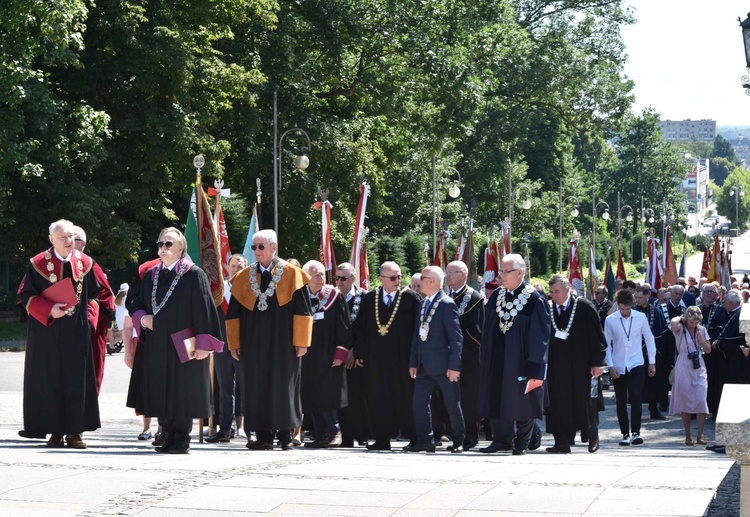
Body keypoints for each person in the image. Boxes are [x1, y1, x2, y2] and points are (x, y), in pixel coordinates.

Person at [127, 227, 224, 454]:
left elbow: (204, 310)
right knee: (161, 391)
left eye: (168, 244)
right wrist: (143, 320)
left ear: (181, 248)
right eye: (160, 244)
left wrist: (203, 344)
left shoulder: (194, 274)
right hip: (157, 343)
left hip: (183, 343)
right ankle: (168, 434)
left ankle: (181, 439)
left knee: (182, 392)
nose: (163, 248)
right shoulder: (151, 274)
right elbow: (135, 302)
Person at [226, 230, 314, 451]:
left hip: (284, 342)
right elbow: (233, 313)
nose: (257, 251)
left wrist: (302, 341)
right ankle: (263, 435)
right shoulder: (243, 277)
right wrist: (234, 343)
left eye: (261, 247)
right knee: (256, 386)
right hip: (252, 342)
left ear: (274, 247)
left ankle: (286, 435)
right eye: (255, 247)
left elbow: (304, 311)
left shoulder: (294, 274)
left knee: (284, 386)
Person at [17, 219, 101, 449]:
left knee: (76, 382)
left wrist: (89, 321)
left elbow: (95, 296)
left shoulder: (85, 263)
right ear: (51, 239)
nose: (68, 241)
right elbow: (25, 297)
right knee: (50, 381)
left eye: (71, 237)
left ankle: (75, 432)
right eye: (63, 237)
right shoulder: (37, 264)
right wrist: (49, 309)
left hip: (76, 334)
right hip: (47, 333)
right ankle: (54, 431)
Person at [478, 254, 550, 456]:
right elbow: (488, 327)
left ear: (519, 272)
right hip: (497, 358)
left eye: (505, 271)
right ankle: (502, 439)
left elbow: (541, 335)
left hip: (520, 359)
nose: (501, 275)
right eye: (501, 271)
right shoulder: (497, 297)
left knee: (523, 399)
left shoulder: (534, 299)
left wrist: (535, 364)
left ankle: (522, 442)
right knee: (496, 397)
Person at [353, 261, 420, 451]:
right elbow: (361, 328)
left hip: (402, 359)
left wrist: (415, 358)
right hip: (376, 359)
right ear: (381, 279)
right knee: (377, 398)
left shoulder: (410, 298)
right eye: (392, 277)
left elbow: (416, 331)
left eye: (399, 276)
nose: (397, 280)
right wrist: (360, 352)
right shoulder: (370, 298)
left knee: (405, 398)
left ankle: (414, 437)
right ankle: (382, 438)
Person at [545, 276, 607, 454]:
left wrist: (598, 362)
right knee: (557, 403)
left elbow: (597, 337)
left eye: (557, 291)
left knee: (586, 401)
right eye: (551, 292)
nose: (554, 295)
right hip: (557, 365)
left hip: (582, 365)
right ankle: (561, 441)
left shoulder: (584, 306)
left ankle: (592, 436)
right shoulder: (548, 308)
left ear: (567, 290)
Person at [406, 266, 465, 453]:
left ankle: (458, 440)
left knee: (451, 404)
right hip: (424, 365)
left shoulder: (447, 304)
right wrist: (413, 362)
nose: (419, 282)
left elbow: (456, 338)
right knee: (419, 403)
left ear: (431, 281)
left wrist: (455, 366)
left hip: (444, 366)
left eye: (422, 278)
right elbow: (417, 335)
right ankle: (426, 439)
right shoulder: (423, 303)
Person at [300, 260, 352, 448]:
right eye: (316, 275)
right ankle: (319, 434)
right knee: (311, 394)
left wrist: (341, 352)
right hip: (308, 355)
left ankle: (334, 430)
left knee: (328, 394)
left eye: (323, 274)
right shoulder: (300, 296)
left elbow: (345, 326)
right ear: (306, 277)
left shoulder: (334, 296)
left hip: (329, 354)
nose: (321, 278)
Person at [604, 289, 656, 446]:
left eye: (627, 308)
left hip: (636, 362)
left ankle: (636, 432)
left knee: (636, 396)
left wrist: (652, 362)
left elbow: (649, 338)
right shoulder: (611, 319)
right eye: (622, 309)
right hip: (619, 364)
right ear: (618, 305)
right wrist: (610, 365)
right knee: (621, 400)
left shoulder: (640, 317)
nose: (625, 312)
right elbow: (606, 344)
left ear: (632, 305)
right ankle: (624, 434)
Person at [207, 253, 248, 444]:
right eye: (233, 266)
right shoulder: (219, 291)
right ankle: (224, 429)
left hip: (244, 348)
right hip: (222, 348)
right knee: (225, 391)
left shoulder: (251, 289)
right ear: (227, 267)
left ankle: (252, 429)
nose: (236, 269)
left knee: (248, 390)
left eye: (240, 267)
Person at [444, 260, 484, 450]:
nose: (447, 276)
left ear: (463, 274)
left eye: (452, 272)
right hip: (446, 357)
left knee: (468, 398)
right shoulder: (445, 296)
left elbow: (476, 333)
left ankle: (471, 435)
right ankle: (454, 434)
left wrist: (457, 353)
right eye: (447, 272)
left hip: (467, 358)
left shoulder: (475, 298)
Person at [72, 225, 116, 394]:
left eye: (73, 238)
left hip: (88, 329)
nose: (68, 241)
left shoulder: (89, 266)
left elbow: (106, 297)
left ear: (82, 243)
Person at [334, 262, 370, 448]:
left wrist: (355, 351)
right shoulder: (332, 297)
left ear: (353, 278)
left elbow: (367, 328)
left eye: (343, 278)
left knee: (360, 396)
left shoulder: (365, 297)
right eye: (337, 278)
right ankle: (346, 436)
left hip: (358, 355)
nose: (339, 282)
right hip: (338, 355)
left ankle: (363, 434)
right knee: (342, 397)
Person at [669, 306, 712, 445]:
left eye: (696, 322)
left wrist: (702, 339)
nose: (694, 324)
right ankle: (688, 435)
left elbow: (709, 350)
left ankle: (701, 433)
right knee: (685, 400)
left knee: (701, 399)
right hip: (683, 365)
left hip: (698, 365)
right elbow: (673, 322)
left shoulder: (702, 330)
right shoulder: (680, 329)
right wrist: (683, 318)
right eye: (692, 321)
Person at [633, 284, 669, 420]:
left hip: (653, 352)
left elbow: (661, 333)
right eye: (636, 297)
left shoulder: (656, 311)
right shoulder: (632, 311)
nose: (638, 300)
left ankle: (654, 408)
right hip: (635, 352)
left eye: (640, 297)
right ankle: (636, 410)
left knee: (654, 382)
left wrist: (656, 352)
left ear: (647, 296)